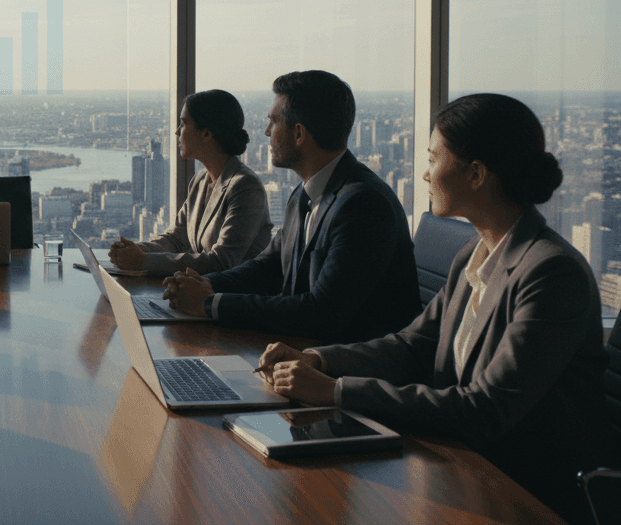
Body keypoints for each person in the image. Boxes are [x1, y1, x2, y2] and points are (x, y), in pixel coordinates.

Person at [258, 93, 606, 523]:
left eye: (433, 158)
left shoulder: (551, 274)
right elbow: (412, 346)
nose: (424, 172)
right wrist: (318, 360)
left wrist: (335, 391)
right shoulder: (473, 255)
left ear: (476, 173)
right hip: (455, 463)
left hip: (517, 494)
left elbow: (484, 411)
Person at [163, 70, 421, 343]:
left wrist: (211, 303)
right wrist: (207, 284)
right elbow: (269, 267)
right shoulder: (304, 193)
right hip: (299, 351)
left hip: (341, 369)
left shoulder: (363, 205)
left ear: (299, 133)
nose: (265, 132)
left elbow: (322, 312)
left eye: (273, 122)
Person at [108, 89, 272, 277]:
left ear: (206, 134)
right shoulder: (200, 181)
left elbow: (221, 261)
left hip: (233, 298)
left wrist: (144, 260)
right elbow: (175, 240)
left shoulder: (246, 188)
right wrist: (132, 250)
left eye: (183, 123)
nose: (177, 132)